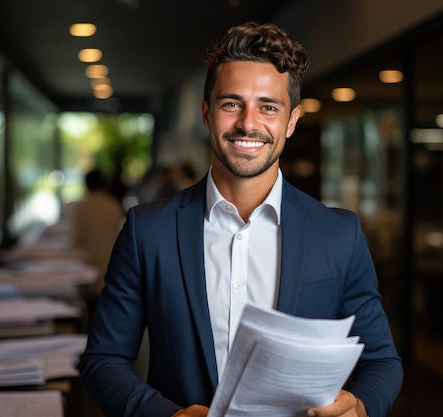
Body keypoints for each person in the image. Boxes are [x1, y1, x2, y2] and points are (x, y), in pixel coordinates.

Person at [78, 21, 403, 417]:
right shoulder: (148, 230)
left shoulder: (339, 234)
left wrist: (362, 405)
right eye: (231, 103)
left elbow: (381, 362)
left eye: (268, 106)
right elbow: (104, 359)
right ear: (206, 113)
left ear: (292, 120)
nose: (248, 123)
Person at [71, 168, 126, 298]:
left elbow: (77, 241)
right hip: (114, 267)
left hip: (90, 270)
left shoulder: (83, 207)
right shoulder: (114, 205)